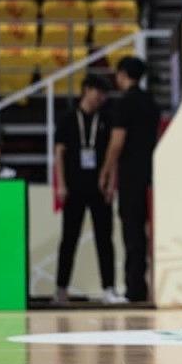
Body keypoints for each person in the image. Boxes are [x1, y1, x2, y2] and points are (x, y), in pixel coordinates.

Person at [55, 75, 125, 305]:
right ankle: (61, 289)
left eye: (104, 94)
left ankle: (109, 289)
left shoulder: (106, 118)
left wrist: (111, 183)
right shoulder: (68, 118)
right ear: (86, 89)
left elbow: (113, 155)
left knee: (105, 239)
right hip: (74, 186)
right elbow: (59, 154)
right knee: (69, 239)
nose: (100, 98)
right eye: (98, 92)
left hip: (99, 187)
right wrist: (61, 184)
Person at [99, 56, 160, 303]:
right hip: (152, 173)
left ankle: (134, 289)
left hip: (131, 175)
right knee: (147, 232)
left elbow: (117, 142)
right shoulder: (151, 102)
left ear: (123, 74)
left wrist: (105, 171)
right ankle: (144, 286)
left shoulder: (124, 103)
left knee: (132, 231)